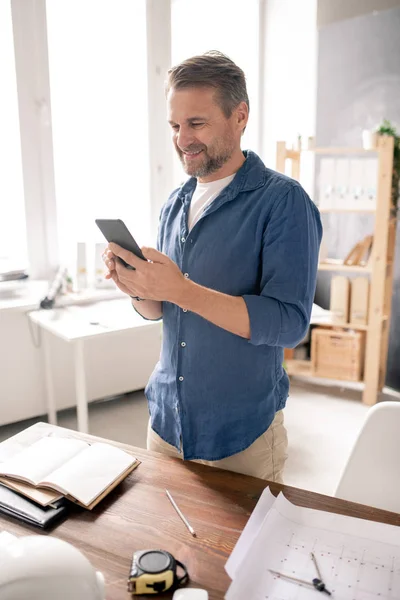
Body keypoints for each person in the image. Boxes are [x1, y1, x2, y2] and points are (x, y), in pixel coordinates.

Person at [103, 51, 322, 482]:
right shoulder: (174, 203)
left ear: (239, 116)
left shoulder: (283, 202)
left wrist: (181, 288)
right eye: (175, 125)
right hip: (166, 424)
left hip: (241, 436)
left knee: (244, 551)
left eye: (196, 123)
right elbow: (161, 311)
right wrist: (136, 286)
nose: (183, 139)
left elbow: (290, 323)